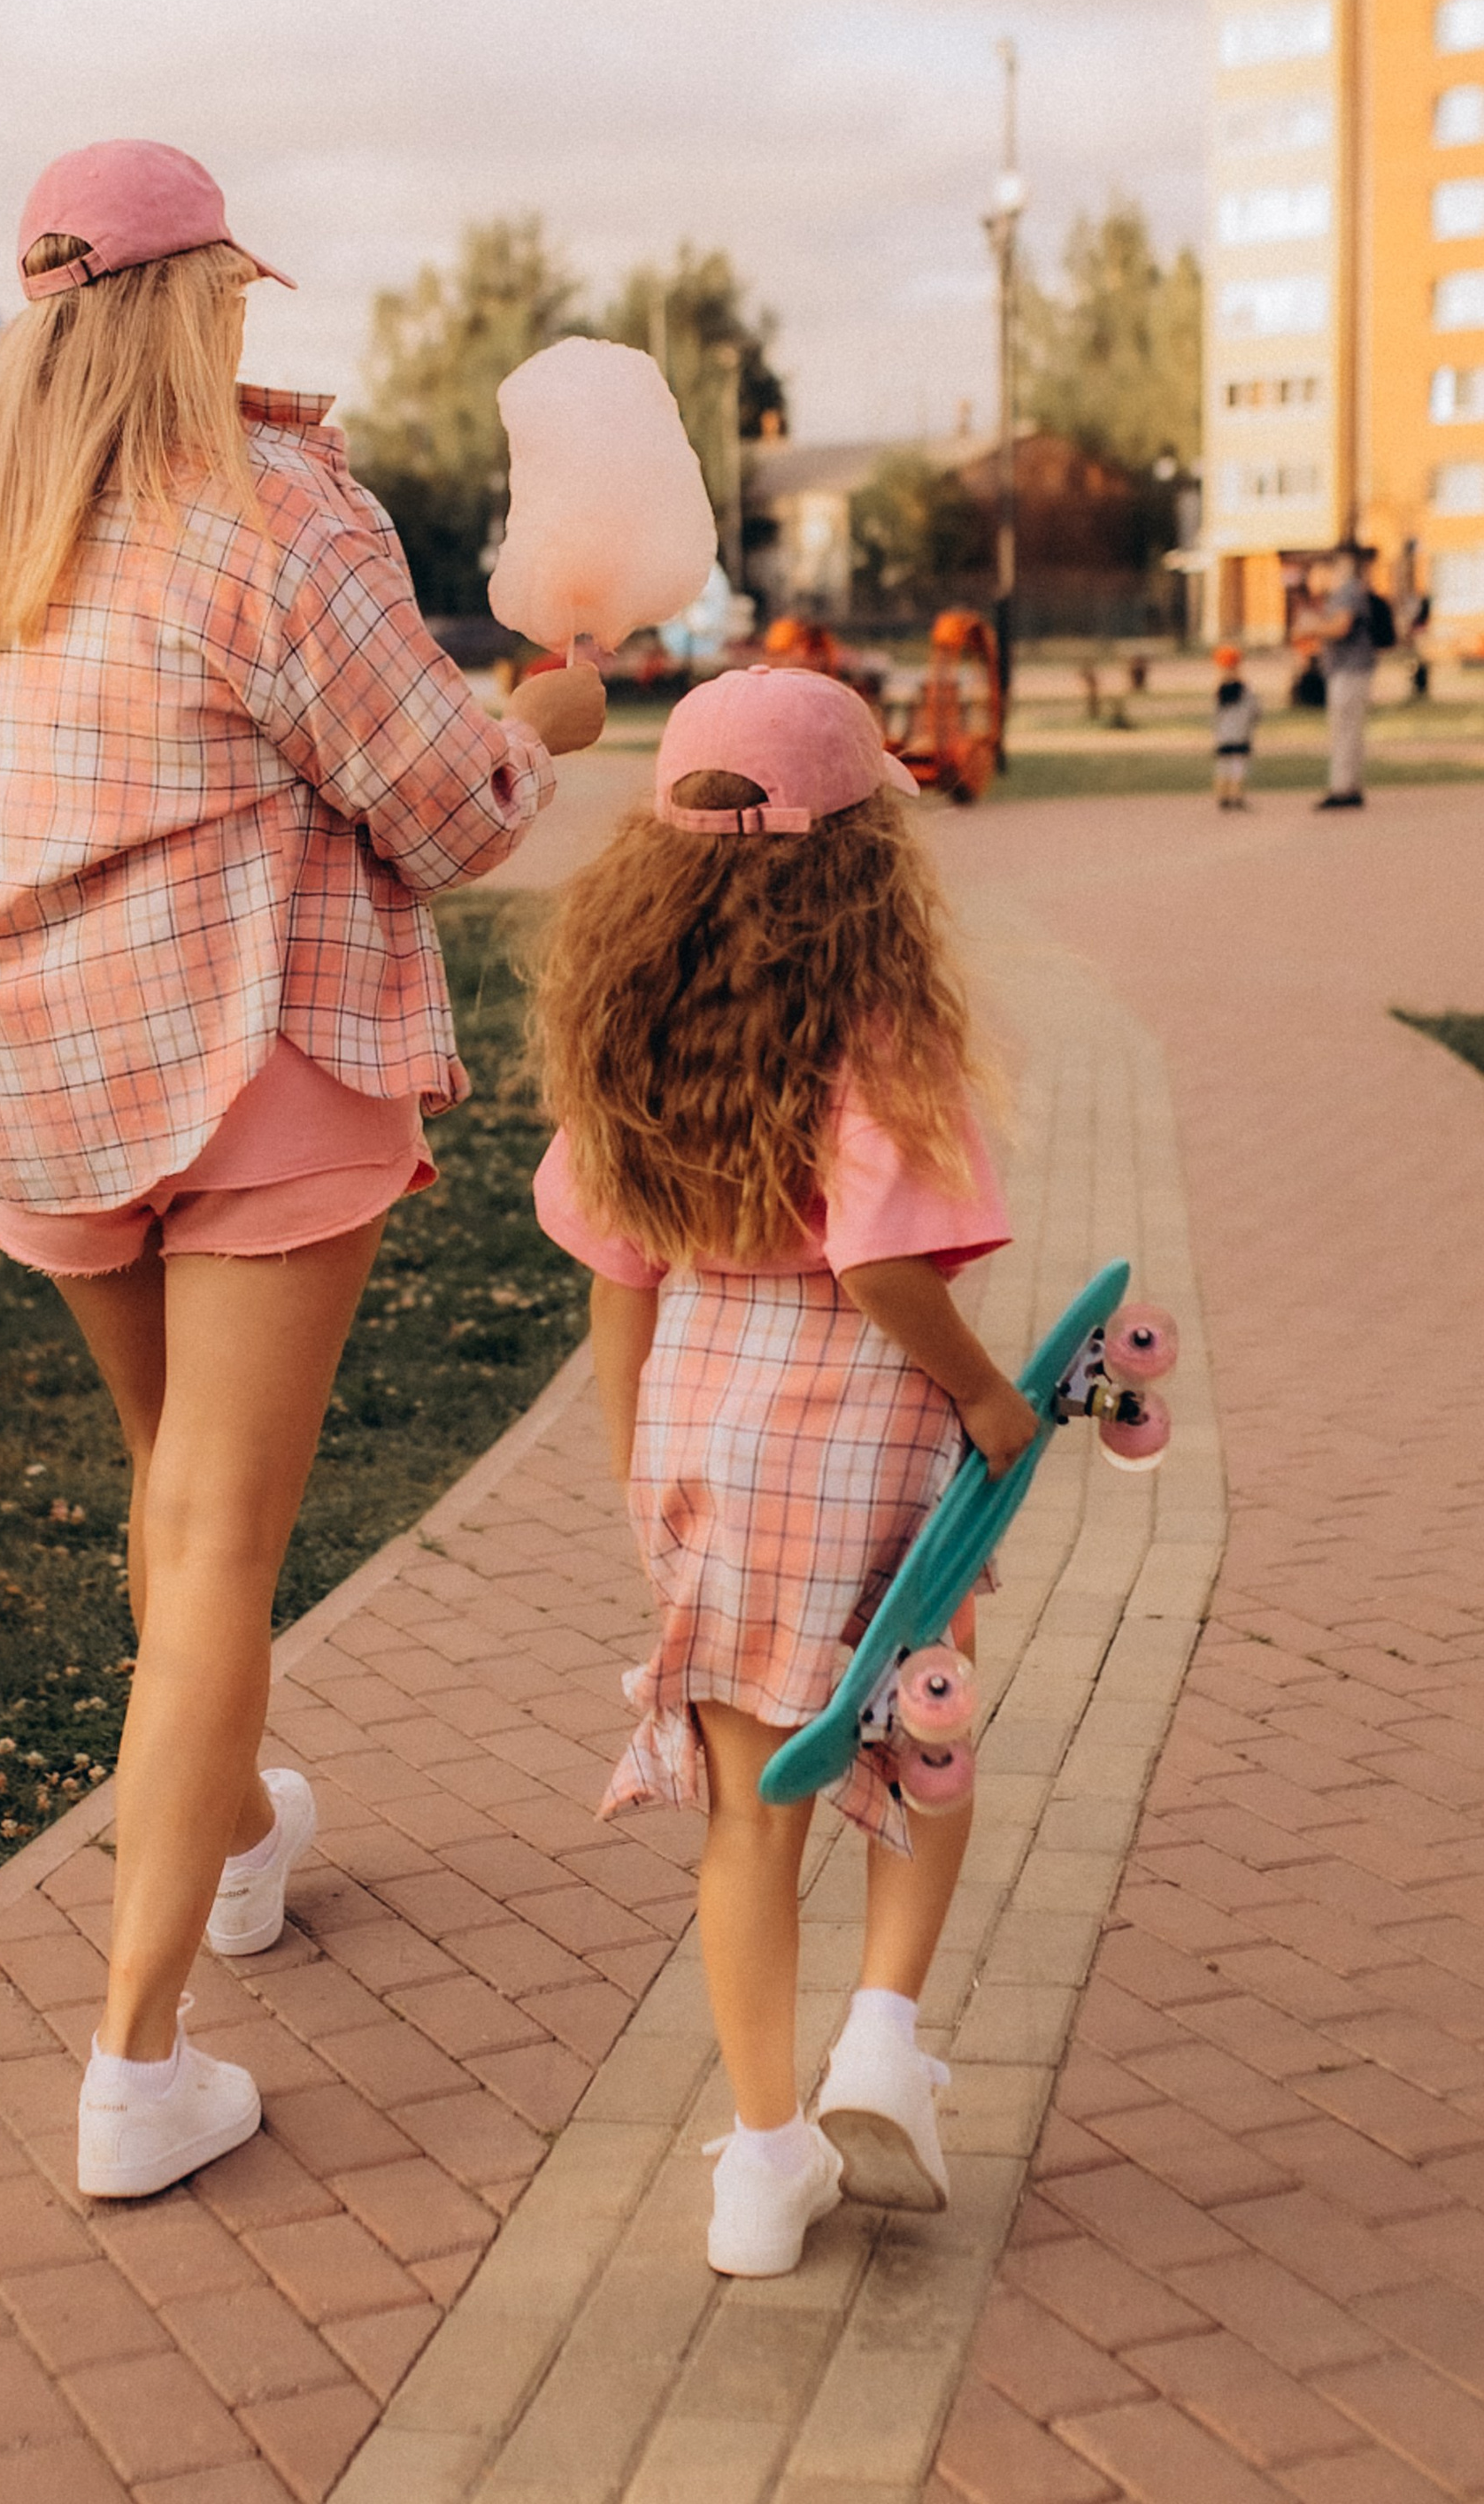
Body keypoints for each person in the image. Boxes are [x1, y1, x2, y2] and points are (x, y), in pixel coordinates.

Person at [0, 139, 605, 2200]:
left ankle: (231, 1835)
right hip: (236, 1048)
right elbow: (448, 808)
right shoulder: (277, 509)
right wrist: (542, 712)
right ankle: (132, 2066)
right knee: (210, 1542)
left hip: (33, 1055)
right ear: (201, 295)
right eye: (227, 293)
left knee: (172, 1500)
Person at [527, 666, 1031, 2279]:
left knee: (752, 1814)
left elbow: (618, 1276)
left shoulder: (628, 1021)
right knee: (921, 1724)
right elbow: (885, 1267)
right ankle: (883, 2039)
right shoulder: (871, 1022)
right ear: (866, 843)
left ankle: (761, 2167)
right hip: (866, 1424)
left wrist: (635, 1479)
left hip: (701, 1424)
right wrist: (995, 1402)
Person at [1318, 542, 1383, 810]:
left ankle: (1343, 788)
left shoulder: (1347, 593)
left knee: (1344, 729)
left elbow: (1340, 627)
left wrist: (1313, 627)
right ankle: (1348, 785)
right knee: (1347, 729)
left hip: (1350, 670)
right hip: (1350, 669)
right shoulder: (1350, 592)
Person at [1211, 642, 1257, 809]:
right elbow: (1255, 712)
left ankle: (1223, 797)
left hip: (1224, 736)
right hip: (1241, 736)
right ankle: (1236, 796)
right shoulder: (1246, 691)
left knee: (1222, 768)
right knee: (1238, 768)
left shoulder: (1218, 691)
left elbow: (1214, 716)